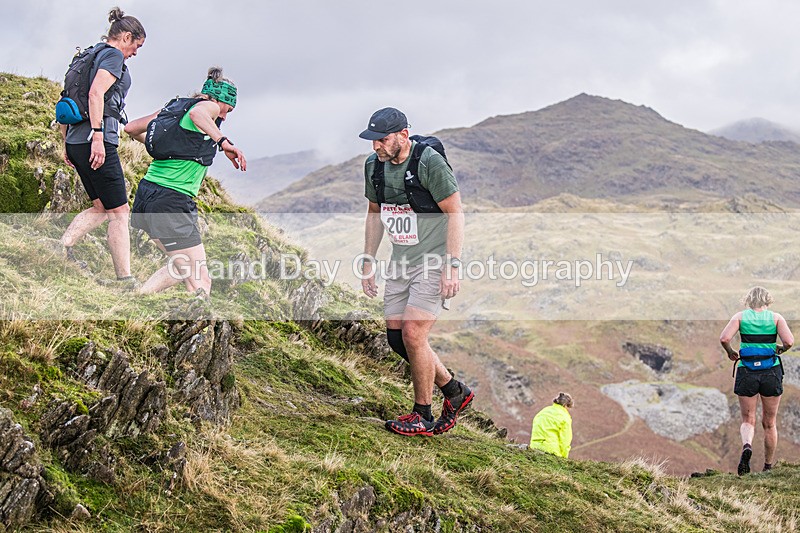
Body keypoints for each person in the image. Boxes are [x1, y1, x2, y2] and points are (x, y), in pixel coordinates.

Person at [359, 107, 473, 436]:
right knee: (398, 339)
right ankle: (454, 391)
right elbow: (374, 213)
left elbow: (455, 213)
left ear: (403, 136)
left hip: (434, 259)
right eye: (372, 141)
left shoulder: (428, 163)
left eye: (382, 140)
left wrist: (452, 265)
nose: (376, 146)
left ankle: (423, 414)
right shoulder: (373, 167)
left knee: (413, 334)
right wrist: (368, 260)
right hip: (401, 260)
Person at [123, 67, 247, 296]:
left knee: (182, 267)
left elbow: (131, 128)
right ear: (218, 100)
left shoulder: (174, 108)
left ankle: (138, 298)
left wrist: (170, 147)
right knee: (201, 278)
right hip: (172, 199)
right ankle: (199, 314)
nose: (224, 117)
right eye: (227, 110)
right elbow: (198, 114)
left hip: (147, 196)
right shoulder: (208, 106)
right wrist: (223, 142)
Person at [59, 7, 146, 285]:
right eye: (137, 46)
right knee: (120, 213)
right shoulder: (112, 56)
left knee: (101, 206)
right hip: (96, 141)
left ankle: (61, 248)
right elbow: (96, 93)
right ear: (126, 37)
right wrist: (97, 136)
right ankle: (125, 280)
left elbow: (65, 100)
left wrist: (66, 143)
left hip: (76, 140)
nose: (135, 53)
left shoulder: (89, 54)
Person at [720, 286, 793, 475]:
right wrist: (780, 349)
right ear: (768, 300)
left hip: (747, 371)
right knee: (769, 422)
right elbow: (789, 342)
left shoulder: (740, 317)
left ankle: (747, 446)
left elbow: (725, 338)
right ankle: (768, 467)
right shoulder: (776, 318)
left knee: (748, 419)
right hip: (771, 371)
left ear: (749, 300)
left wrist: (730, 352)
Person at [529, 392, 574, 458]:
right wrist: (564, 458)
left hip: (534, 447)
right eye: (569, 407)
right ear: (565, 405)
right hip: (551, 450)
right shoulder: (565, 417)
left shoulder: (543, 411)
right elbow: (565, 440)